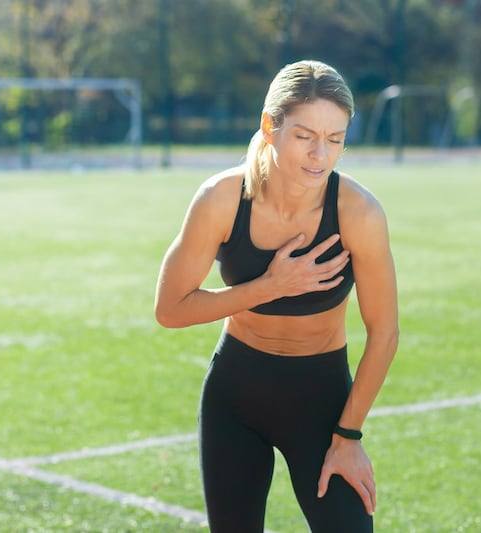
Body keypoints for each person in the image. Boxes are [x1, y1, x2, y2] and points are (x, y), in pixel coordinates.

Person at [154, 59, 399, 532]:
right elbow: (170, 309)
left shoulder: (359, 213)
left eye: (335, 139)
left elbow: (384, 332)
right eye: (305, 136)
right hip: (236, 392)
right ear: (271, 127)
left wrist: (348, 435)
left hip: (322, 400)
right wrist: (269, 286)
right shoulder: (221, 198)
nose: (320, 156)